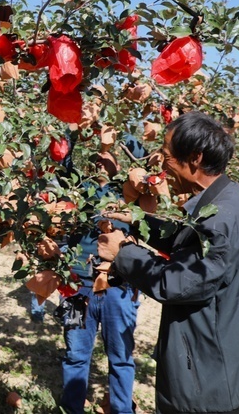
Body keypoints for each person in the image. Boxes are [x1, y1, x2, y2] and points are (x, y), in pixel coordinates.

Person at [99, 111, 239, 414]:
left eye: (166, 154)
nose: (162, 164)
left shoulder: (219, 219)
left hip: (207, 384)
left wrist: (121, 252)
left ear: (195, 158)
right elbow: (187, 241)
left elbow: (175, 283)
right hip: (221, 364)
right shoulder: (226, 200)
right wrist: (137, 220)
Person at [60, 151, 139, 414]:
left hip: (117, 289)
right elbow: (62, 161)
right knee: (75, 354)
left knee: (121, 358)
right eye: (97, 157)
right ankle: (72, 408)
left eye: (109, 156)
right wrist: (72, 127)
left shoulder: (130, 195)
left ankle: (121, 410)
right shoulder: (80, 189)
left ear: (120, 164)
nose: (102, 160)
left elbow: (142, 155)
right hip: (76, 289)